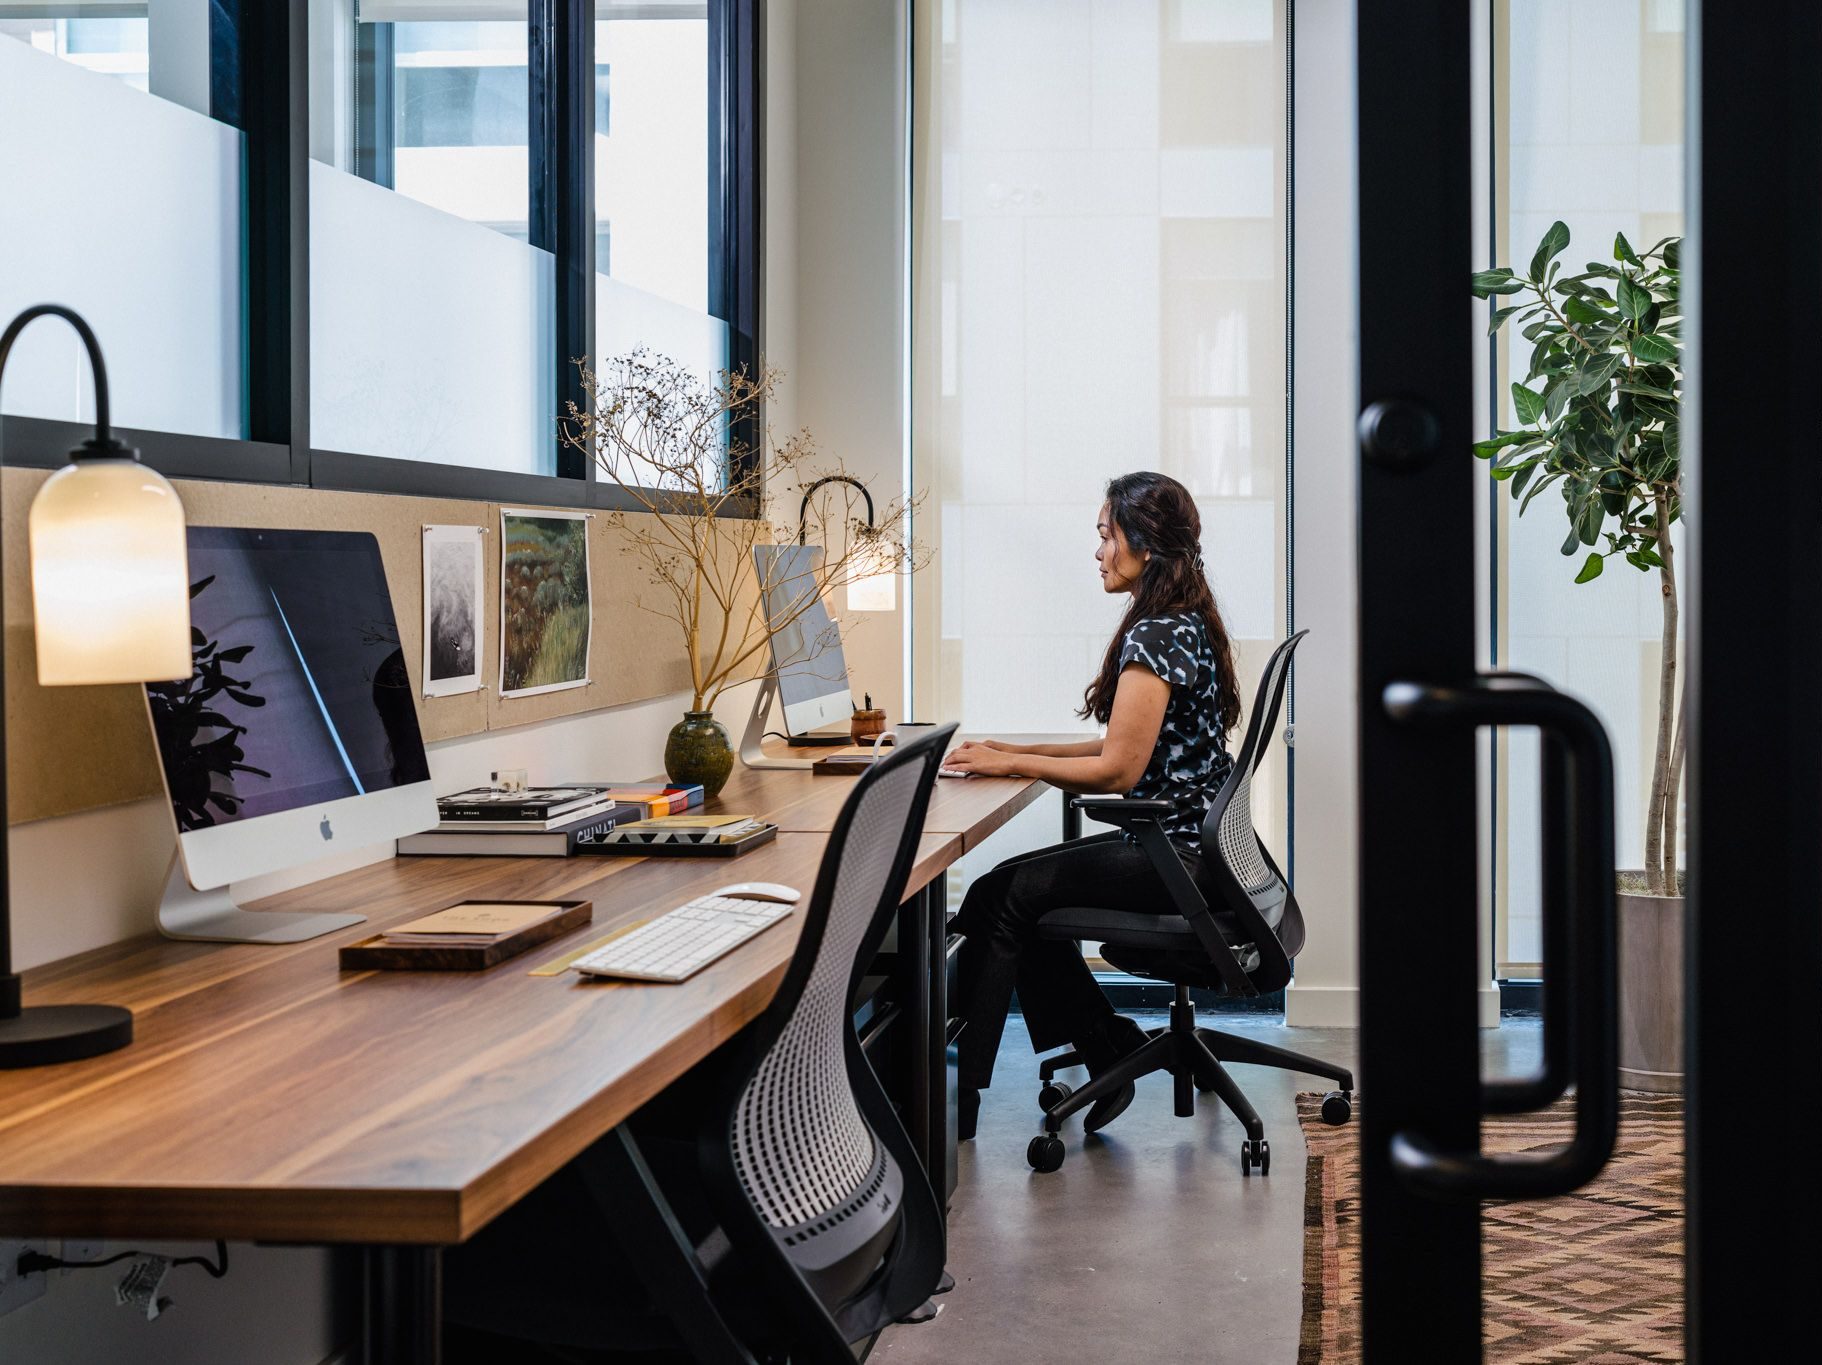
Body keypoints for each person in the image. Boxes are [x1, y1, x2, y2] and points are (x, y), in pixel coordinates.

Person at [942, 471, 1242, 1140]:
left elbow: (1117, 766)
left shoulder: (1157, 634)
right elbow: (1122, 741)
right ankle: (1105, 1040)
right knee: (1011, 896)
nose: (1099, 551)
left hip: (1175, 855)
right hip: (1192, 847)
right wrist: (1010, 746)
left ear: (1144, 542)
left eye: (1107, 535)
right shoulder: (1184, 620)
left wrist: (1012, 760)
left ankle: (955, 1101)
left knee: (1002, 897)